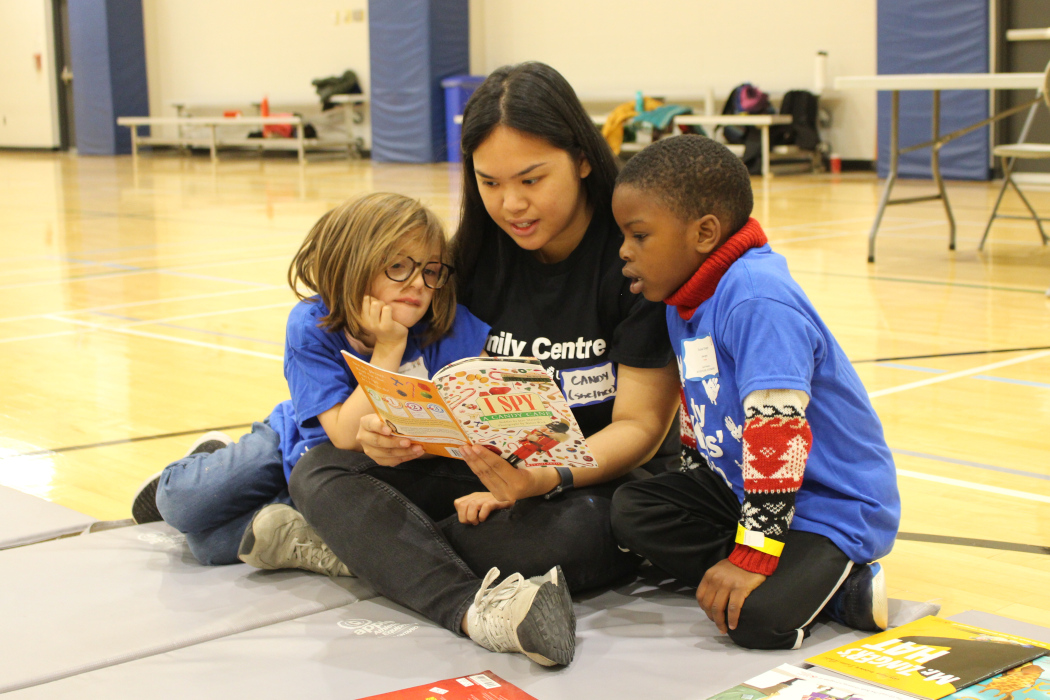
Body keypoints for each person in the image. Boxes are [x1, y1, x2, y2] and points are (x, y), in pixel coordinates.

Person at [288, 62, 681, 667]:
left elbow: (642, 427)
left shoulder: (630, 258)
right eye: (490, 183)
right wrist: (390, 435)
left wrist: (539, 481)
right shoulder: (467, 259)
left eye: (531, 179)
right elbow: (423, 378)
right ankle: (474, 609)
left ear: (581, 158)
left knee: (562, 544)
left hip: (587, 482)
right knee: (321, 470)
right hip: (478, 470)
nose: (512, 204)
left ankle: (364, 547)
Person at [610, 134, 900, 651]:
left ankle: (841, 585)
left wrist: (751, 556)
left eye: (638, 236)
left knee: (755, 621)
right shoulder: (684, 297)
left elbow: (778, 437)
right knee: (634, 508)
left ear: (703, 233)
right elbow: (699, 410)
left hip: (827, 507)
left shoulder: (756, 300)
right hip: (748, 490)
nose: (624, 252)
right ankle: (792, 572)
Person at [130, 192, 489, 576]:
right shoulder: (312, 323)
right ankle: (207, 458)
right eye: (398, 266)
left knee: (211, 545)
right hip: (291, 438)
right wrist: (388, 349)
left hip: (337, 481)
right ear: (354, 264)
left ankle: (284, 518)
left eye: (430, 271)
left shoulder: (450, 325)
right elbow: (345, 436)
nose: (418, 283)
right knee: (183, 503)